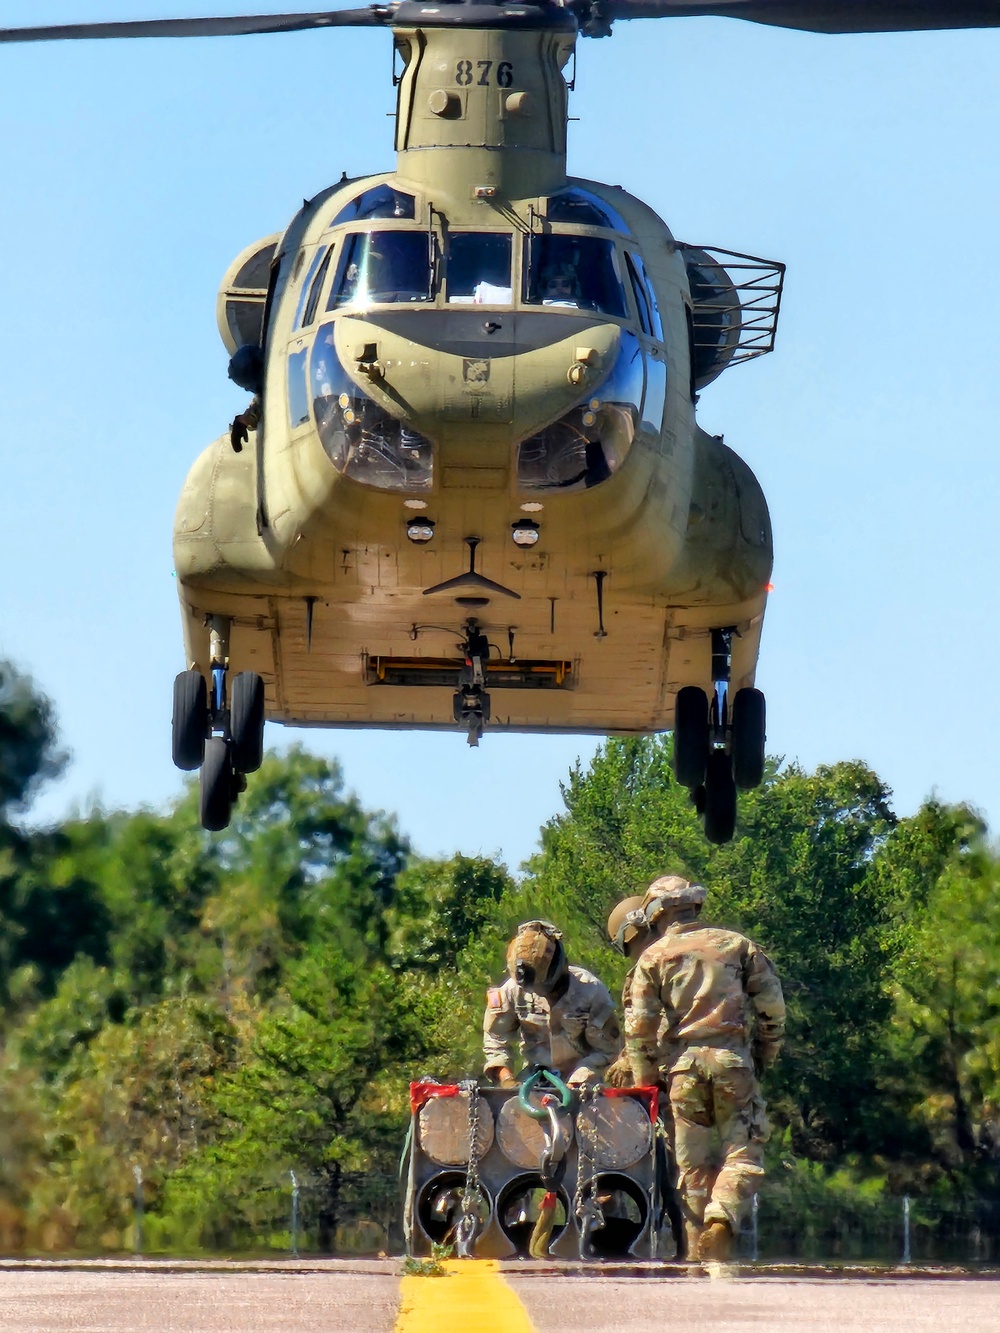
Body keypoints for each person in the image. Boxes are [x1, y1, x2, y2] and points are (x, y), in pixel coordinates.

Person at [623, 875, 785, 1262]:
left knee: (691, 1166)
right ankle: (722, 1215)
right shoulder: (735, 944)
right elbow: (772, 1009)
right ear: (695, 904)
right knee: (743, 1153)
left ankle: (698, 1253)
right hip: (733, 1064)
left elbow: (639, 1030)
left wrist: (648, 1085)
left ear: (654, 913)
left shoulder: (651, 958)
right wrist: (765, 1054)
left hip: (683, 1072)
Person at [483, 920, 621, 1089]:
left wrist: (576, 1082)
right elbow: (495, 1040)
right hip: (533, 1081)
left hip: (584, 1083)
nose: (540, 993)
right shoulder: (512, 991)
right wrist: (507, 1079)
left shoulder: (590, 991)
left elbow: (608, 1051)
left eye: (544, 986)